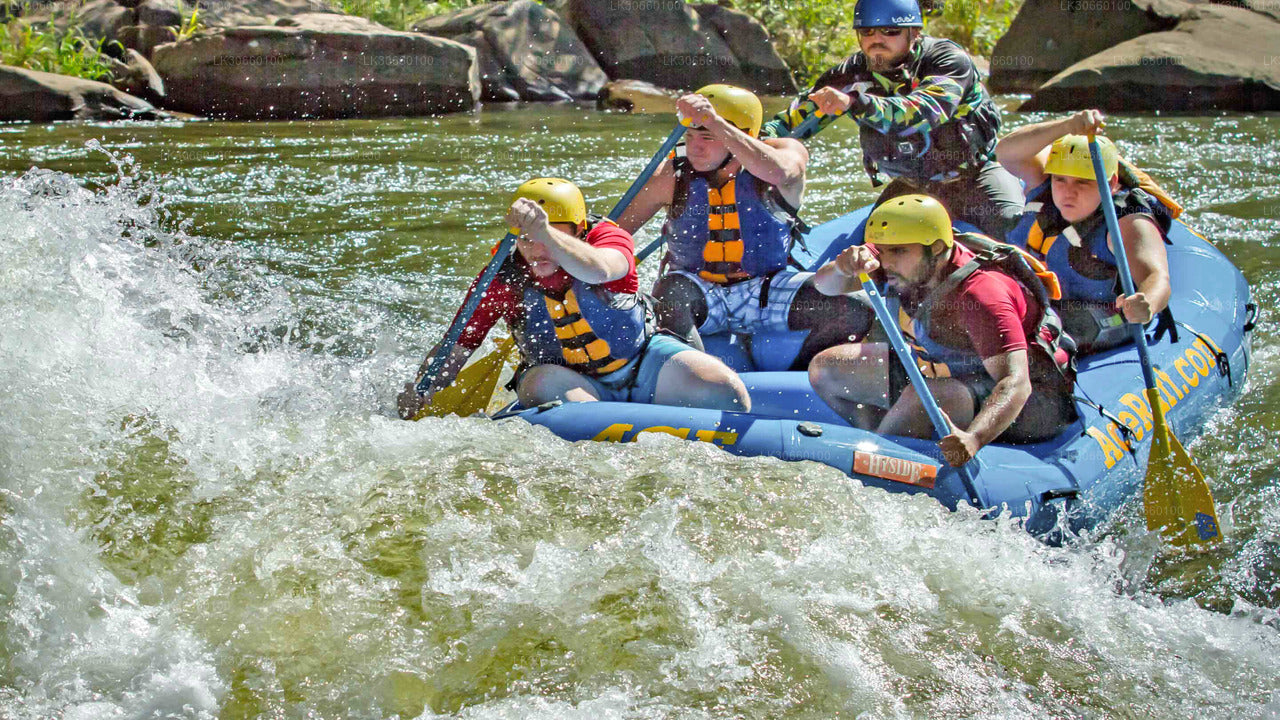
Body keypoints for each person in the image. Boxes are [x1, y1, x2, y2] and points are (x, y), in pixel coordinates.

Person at [398, 178, 751, 419]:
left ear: (579, 230)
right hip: (560, 378)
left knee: (728, 392)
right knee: (568, 403)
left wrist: (545, 232)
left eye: (549, 238)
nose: (537, 250)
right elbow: (458, 346)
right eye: (527, 239)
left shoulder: (608, 239)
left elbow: (600, 270)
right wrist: (422, 392)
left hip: (641, 362)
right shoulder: (503, 275)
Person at [618, 84, 875, 369]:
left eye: (707, 136)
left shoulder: (785, 153)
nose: (695, 146)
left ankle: (800, 379)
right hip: (696, 289)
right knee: (669, 293)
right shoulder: (672, 173)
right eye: (689, 135)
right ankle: (696, 379)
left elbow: (779, 172)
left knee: (855, 308)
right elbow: (617, 232)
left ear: (742, 135)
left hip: (765, 287)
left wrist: (715, 121)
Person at [808, 195, 1077, 466]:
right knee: (827, 368)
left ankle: (882, 458)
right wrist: (842, 268)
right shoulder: (901, 263)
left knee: (927, 398)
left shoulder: (981, 295)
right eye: (881, 249)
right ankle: (882, 440)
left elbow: (1015, 383)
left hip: (1031, 403)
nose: (885, 261)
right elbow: (824, 286)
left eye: (898, 251)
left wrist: (974, 438)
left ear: (936, 249)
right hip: (948, 372)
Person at [761, 0, 1023, 239]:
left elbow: (921, 113)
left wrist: (857, 102)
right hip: (913, 187)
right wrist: (754, 138)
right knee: (868, 251)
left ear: (915, 32)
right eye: (867, 32)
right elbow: (795, 119)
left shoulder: (947, 61)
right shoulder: (851, 73)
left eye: (890, 32)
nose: (877, 39)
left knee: (1016, 230)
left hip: (976, 179)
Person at [995, 110, 1179, 354]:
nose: (1068, 192)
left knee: (1063, 325)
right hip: (1040, 301)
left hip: (1096, 316)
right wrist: (1066, 126)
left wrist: (1146, 303)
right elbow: (1006, 151)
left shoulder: (1126, 219)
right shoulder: (1044, 185)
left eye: (1083, 182)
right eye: (1061, 180)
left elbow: (1157, 278)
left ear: (1111, 183)